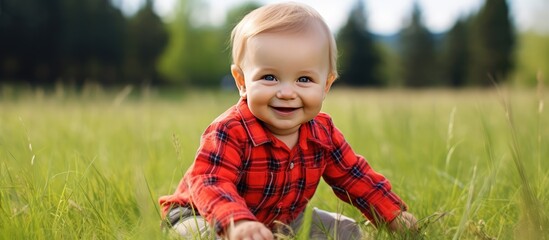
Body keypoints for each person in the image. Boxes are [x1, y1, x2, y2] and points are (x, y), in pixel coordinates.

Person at [159, 2, 417, 239]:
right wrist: (235, 222)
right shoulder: (230, 130)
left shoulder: (322, 133)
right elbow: (210, 181)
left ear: (326, 85)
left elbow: (354, 176)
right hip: (202, 214)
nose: (286, 92)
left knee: (346, 230)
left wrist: (392, 213)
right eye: (269, 77)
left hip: (281, 219)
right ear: (241, 82)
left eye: (304, 79)